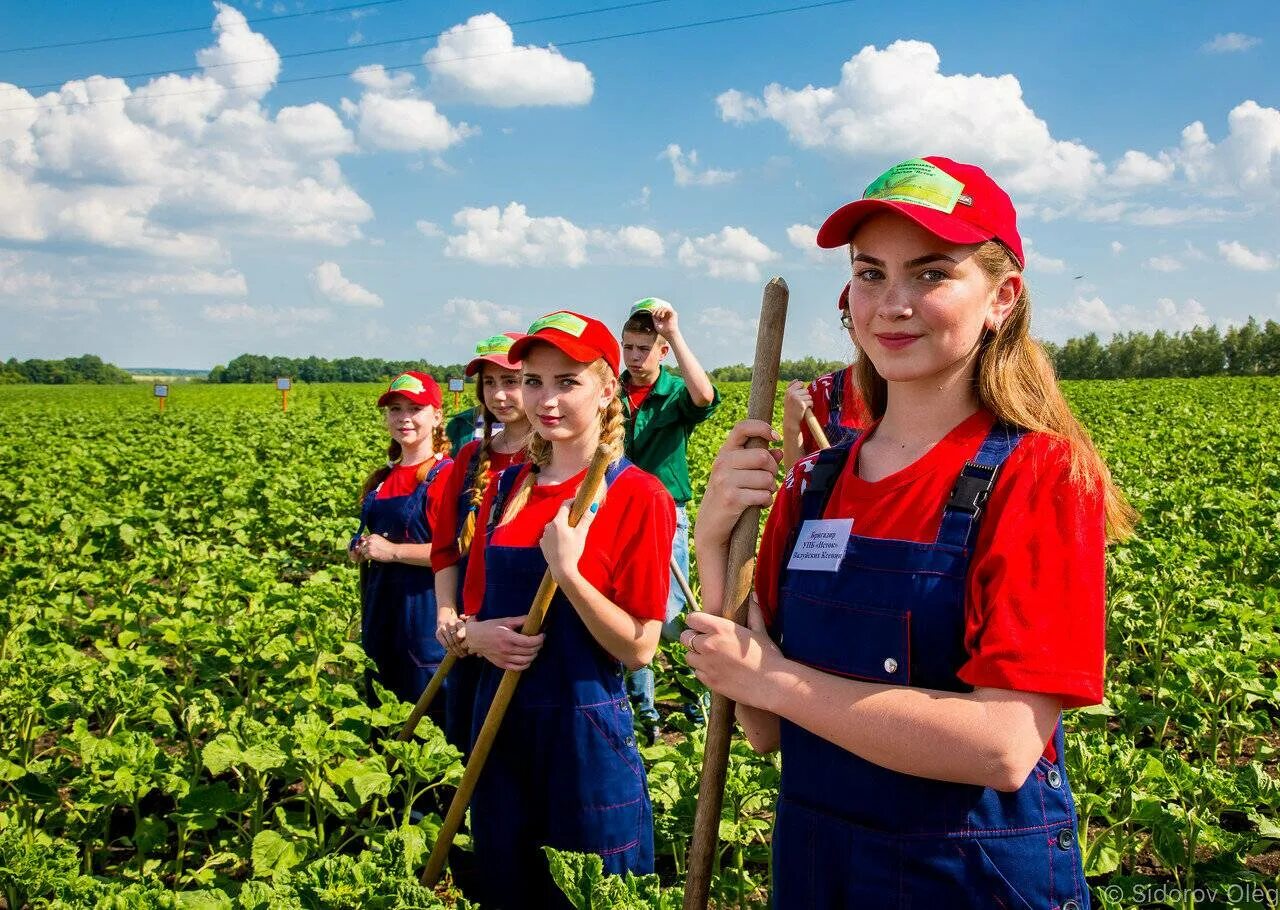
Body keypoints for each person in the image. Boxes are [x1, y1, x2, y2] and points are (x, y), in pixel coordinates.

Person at [685, 156, 1136, 908]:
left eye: (931, 275)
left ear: (1002, 297)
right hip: (817, 867)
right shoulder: (815, 485)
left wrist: (775, 679)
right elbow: (762, 727)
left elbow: (1003, 747)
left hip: (966, 878)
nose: (893, 304)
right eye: (870, 274)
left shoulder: (1041, 474)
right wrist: (712, 548)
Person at [459, 310, 675, 909]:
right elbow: (468, 614)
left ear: (608, 388)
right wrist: (477, 639)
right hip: (498, 725)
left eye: (566, 382)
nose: (544, 399)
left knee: (589, 889)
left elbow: (638, 648)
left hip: (583, 731)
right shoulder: (505, 489)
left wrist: (570, 575)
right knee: (508, 879)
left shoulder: (637, 495)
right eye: (533, 381)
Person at [618, 297, 719, 743]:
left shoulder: (674, 392)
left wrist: (675, 333)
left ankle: (700, 711)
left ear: (662, 353)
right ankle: (646, 720)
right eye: (628, 348)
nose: (635, 358)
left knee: (669, 611)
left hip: (664, 513)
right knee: (625, 610)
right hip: (616, 510)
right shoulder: (611, 392)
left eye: (644, 348)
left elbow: (705, 396)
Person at [430, 332, 532, 755]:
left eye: (510, 381)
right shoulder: (471, 457)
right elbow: (444, 549)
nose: (499, 395)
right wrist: (446, 612)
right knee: (467, 746)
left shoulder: (550, 459)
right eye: (489, 383)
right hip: (471, 631)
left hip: (526, 633)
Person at [350, 371, 454, 711]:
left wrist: (392, 552)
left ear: (437, 416)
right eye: (395, 409)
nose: (404, 418)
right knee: (381, 717)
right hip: (382, 616)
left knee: (428, 726)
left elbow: (455, 551)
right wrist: (362, 548)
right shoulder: (384, 477)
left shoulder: (446, 475)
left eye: (415, 408)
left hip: (424, 620)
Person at [780, 281, 871, 471]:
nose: (863, 330)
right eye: (852, 320)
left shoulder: (924, 392)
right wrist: (791, 423)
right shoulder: (824, 391)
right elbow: (794, 473)